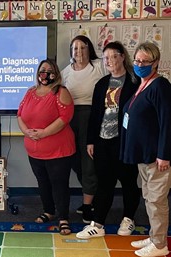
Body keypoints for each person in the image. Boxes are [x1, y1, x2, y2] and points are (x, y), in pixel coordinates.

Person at [76, 41, 140, 239]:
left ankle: (128, 218)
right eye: (106, 58)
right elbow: (96, 114)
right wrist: (91, 141)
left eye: (114, 56)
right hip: (103, 142)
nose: (110, 61)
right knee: (104, 183)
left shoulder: (135, 81)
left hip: (125, 142)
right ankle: (98, 224)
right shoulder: (102, 84)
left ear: (122, 56)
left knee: (129, 181)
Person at [120, 42, 171, 257]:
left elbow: (167, 122)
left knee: (157, 201)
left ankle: (160, 245)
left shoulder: (160, 86)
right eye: (137, 60)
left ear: (156, 63)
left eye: (145, 62)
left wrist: (164, 154)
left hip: (156, 157)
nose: (139, 64)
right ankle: (154, 236)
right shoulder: (142, 84)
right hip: (143, 155)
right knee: (149, 198)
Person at [17, 58, 75, 235]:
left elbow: (65, 118)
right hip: (34, 152)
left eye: (49, 70)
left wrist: (42, 133)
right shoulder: (30, 92)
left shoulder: (60, 92)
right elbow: (19, 115)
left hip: (58, 151)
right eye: (42, 70)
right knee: (43, 183)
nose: (45, 74)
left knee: (59, 184)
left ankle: (63, 217)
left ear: (56, 74)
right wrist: (27, 131)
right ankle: (49, 211)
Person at [61, 35, 108, 223]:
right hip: (70, 119)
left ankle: (88, 206)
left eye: (82, 47)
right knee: (74, 161)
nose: (78, 51)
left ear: (89, 49)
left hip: (92, 118)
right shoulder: (65, 72)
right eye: (75, 48)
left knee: (89, 163)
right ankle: (92, 197)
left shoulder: (99, 67)